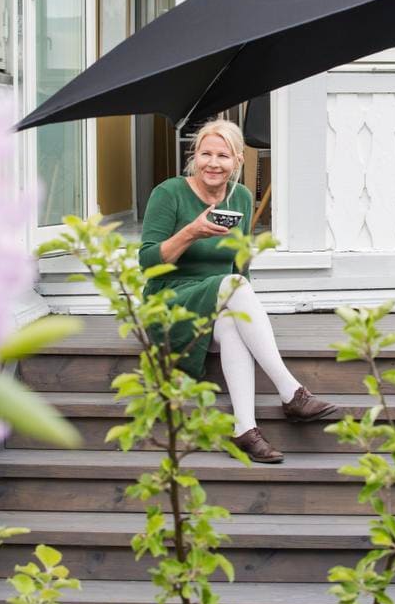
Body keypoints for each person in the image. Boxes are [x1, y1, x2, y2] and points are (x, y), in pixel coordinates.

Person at [139, 118, 334, 463]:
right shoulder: (169, 193)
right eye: (206, 154)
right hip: (170, 299)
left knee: (233, 323)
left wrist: (248, 314)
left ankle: (244, 430)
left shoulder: (241, 198)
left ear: (237, 161)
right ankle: (291, 392)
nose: (213, 163)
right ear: (195, 156)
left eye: (223, 156)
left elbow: (240, 266)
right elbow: (148, 262)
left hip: (216, 300)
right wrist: (191, 232)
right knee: (234, 286)